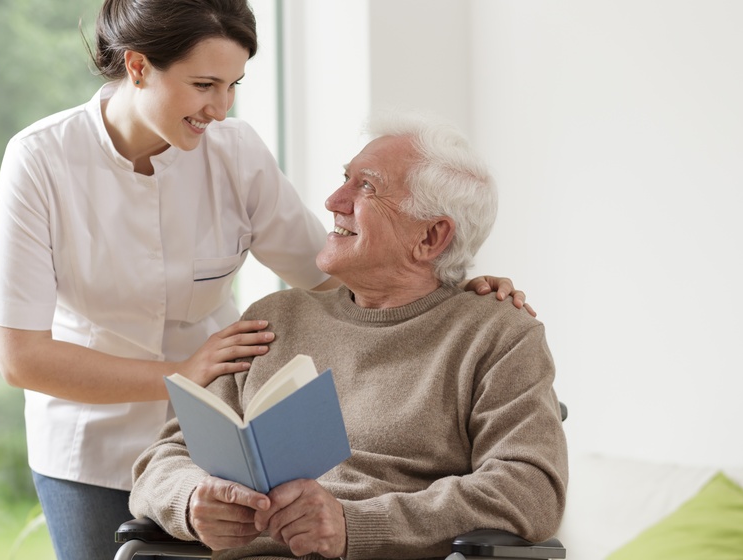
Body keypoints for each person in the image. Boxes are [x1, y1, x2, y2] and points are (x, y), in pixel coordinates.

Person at [0, 1, 530, 558]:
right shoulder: (40, 161)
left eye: (233, 84)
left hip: (222, 437)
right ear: (139, 67)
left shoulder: (235, 153)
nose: (219, 108)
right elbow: (21, 358)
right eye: (204, 84)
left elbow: (341, 275)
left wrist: (459, 293)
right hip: (92, 438)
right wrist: (183, 374)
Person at [129, 111, 568, 560]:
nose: (333, 200)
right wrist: (192, 499)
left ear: (431, 237)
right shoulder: (274, 318)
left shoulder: (498, 334)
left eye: (366, 187)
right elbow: (162, 460)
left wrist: (354, 524)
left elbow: (530, 490)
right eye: (345, 178)